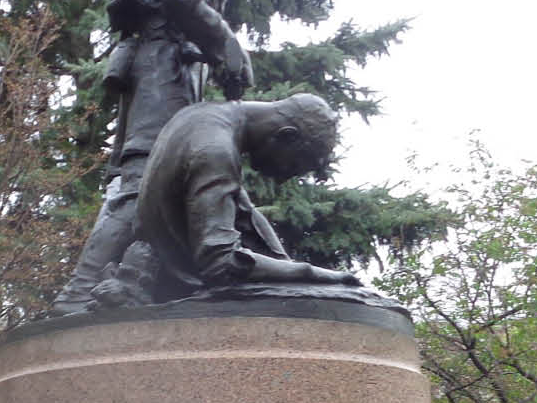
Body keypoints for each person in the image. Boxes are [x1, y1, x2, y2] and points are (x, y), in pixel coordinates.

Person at [50, 0, 263, 314]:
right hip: (162, 65)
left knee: (166, 178)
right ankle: (77, 295)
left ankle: (148, 283)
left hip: (170, 66)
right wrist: (227, 45)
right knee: (143, 179)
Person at [90, 93, 388, 307]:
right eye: (294, 165)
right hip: (183, 291)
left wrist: (288, 265)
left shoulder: (204, 116)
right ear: (286, 136)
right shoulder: (215, 152)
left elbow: (243, 213)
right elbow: (222, 264)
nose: (285, 177)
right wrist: (319, 275)